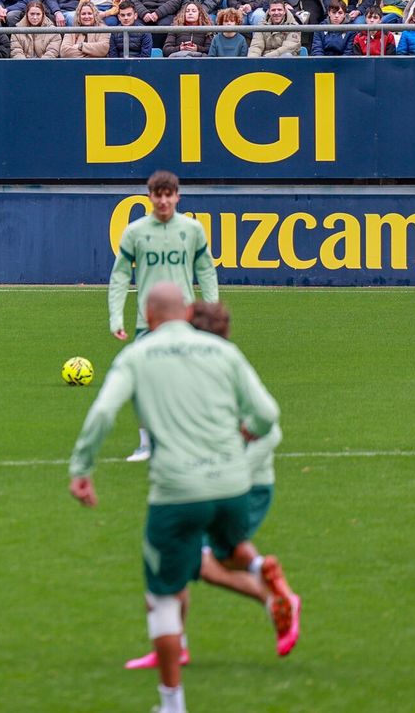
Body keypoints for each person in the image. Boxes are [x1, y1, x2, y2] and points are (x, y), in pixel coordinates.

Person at [68, 282, 298, 713]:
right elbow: (267, 414)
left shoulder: (137, 355)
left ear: (148, 316)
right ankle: (257, 567)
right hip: (231, 485)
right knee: (226, 548)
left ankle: (172, 704)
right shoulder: (223, 352)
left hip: (176, 491)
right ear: (189, 312)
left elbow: (102, 412)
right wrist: (248, 433)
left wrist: (82, 469)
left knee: (163, 596)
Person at [123, 301, 294, 671]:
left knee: (196, 561)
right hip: (212, 483)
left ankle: (273, 597)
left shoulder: (227, 370)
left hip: (243, 486)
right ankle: (176, 644)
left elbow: (270, 429)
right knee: (186, 560)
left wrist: (235, 470)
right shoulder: (204, 371)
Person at [107, 170, 220, 462]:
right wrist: (115, 316)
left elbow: (206, 270)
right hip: (149, 322)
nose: (163, 201)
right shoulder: (135, 232)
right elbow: (120, 275)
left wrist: (211, 309)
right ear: (150, 197)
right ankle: (146, 445)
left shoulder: (192, 230)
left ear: (177, 197)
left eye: (168, 195)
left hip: (185, 320)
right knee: (144, 383)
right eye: (158, 195)